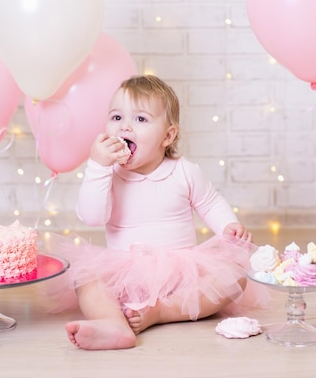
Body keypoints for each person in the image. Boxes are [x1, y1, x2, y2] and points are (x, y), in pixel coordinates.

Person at [59, 75, 259, 350]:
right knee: (85, 277)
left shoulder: (184, 171)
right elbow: (92, 216)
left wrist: (228, 226)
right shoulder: (108, 174)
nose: (125, 126)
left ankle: (162, 311)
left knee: (234, 274)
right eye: (116, 117)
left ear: (168, 135)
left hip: (182, 275)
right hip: (121, 273)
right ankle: (113, 323)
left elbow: (210, 202)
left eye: (140, 119)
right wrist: (97, 167)